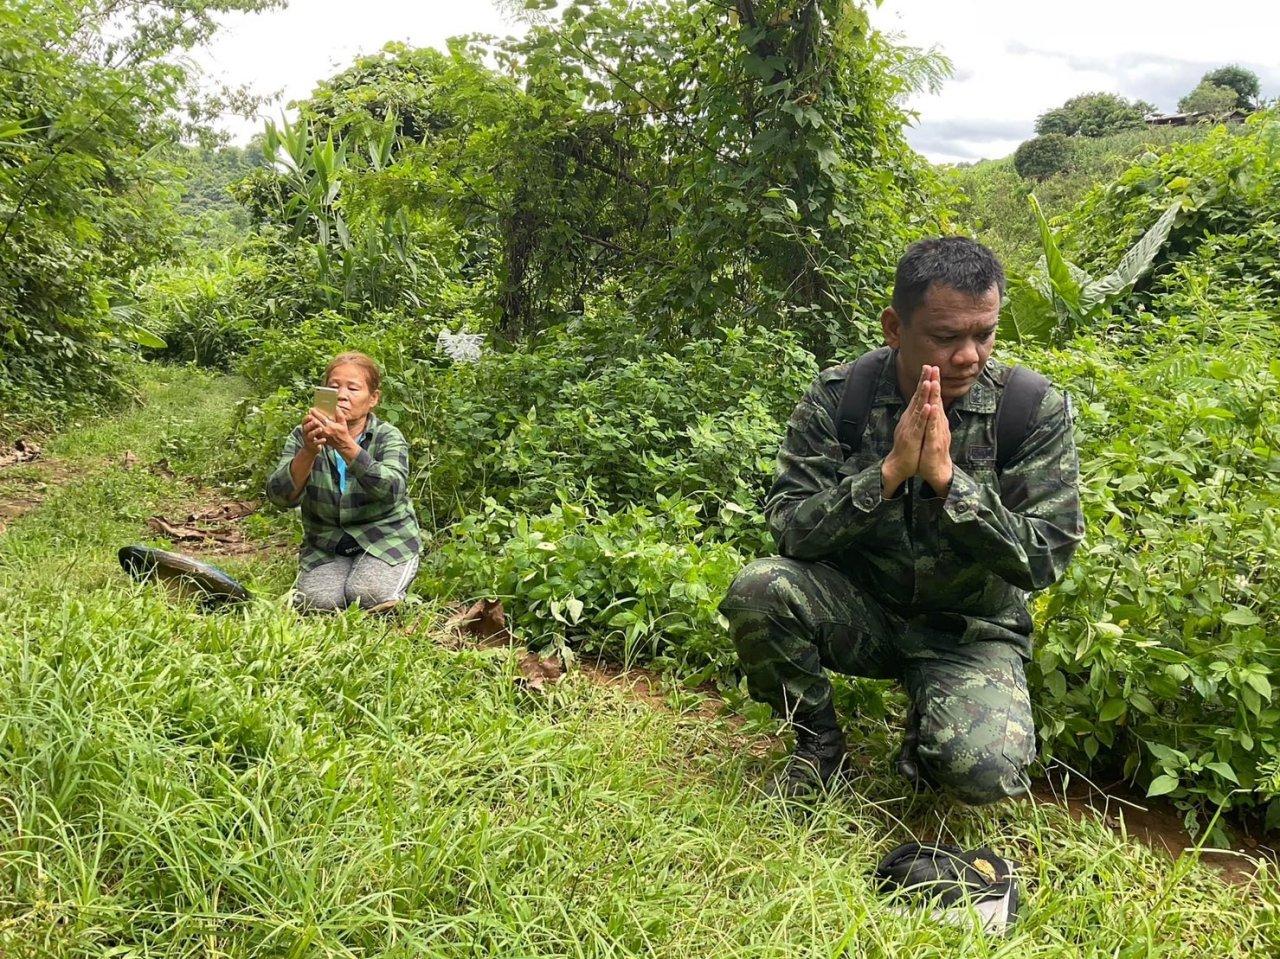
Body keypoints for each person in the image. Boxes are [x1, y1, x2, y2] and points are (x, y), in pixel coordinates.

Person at [720, 237, 1084, 803]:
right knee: (759, 591)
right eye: (946, 337)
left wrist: (950, 484)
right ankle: (818, 744)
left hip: (969, 629)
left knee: (983, 771)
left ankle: (931, 730)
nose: (969, 356)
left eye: (984, 334)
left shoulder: (1029, 409)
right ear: (895, 327)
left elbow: (1045, 559)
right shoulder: (843, 397)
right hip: (861, 609)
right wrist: (886, 475)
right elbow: (790, 527)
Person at [265, 351, 421, 611]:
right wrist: (308, 451)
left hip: (385, 538)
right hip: (328, 543)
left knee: (369, 595)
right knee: (318, 603)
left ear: (373, 399)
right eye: (334, 386)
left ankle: (393, 570)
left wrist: (347, 447)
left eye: (353, 388)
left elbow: (393, 490)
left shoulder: (387, 436)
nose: (342, 395)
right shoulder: (304, 435)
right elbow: (279, 497)